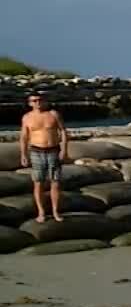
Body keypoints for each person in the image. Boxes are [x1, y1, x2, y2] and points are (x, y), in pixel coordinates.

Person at [18, 93, 68, 223]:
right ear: (30, 103)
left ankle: (55, 211)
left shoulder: (53, 114)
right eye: (34, 100)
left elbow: (63, 131)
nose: (37, 102)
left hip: (53, 150)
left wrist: (64, 150)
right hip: (36, 151)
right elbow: (24, 137)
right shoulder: (27, 117)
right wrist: (23, 154)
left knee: (55, 182)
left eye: (40, 100)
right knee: (38, 182)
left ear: (44, 101)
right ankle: (41, 212)